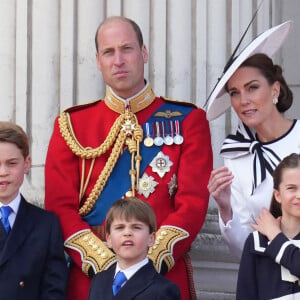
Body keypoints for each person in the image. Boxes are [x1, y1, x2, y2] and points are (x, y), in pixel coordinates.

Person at [45, 16, 212, 300]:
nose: (118, 60)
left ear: (144, 53)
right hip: (91, 280)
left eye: (127, 49)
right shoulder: (71, 125)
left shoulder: (188, 120)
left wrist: (146, 260)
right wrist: (107, 264)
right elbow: (60, 207)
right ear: (98, 61)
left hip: (160, 277)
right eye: (109, 52)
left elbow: (193, 203)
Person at [206, 21, 298, 258]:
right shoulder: (236, 157)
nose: (242, 100)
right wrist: (225, 209)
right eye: (234, 92)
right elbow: (242, 248)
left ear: (275, 90)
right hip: (270, 280)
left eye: (252, 88)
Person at [0, 121, 68, 300]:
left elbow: (54, 290)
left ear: (27, 164)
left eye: (11, 163)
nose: (3, 172)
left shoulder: (46, 225)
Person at [88, 197, 181, 299]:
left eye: (136, 227)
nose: (127, 233)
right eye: (120, 228)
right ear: (109, 239)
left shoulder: (164, 290)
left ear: (151, 238)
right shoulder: (99, 280)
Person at [236, 153, 300, 299]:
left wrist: (276, 237)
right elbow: (246, 294)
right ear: (277, 195)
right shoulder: (256, 242)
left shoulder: (272, 238)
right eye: (291, 188)